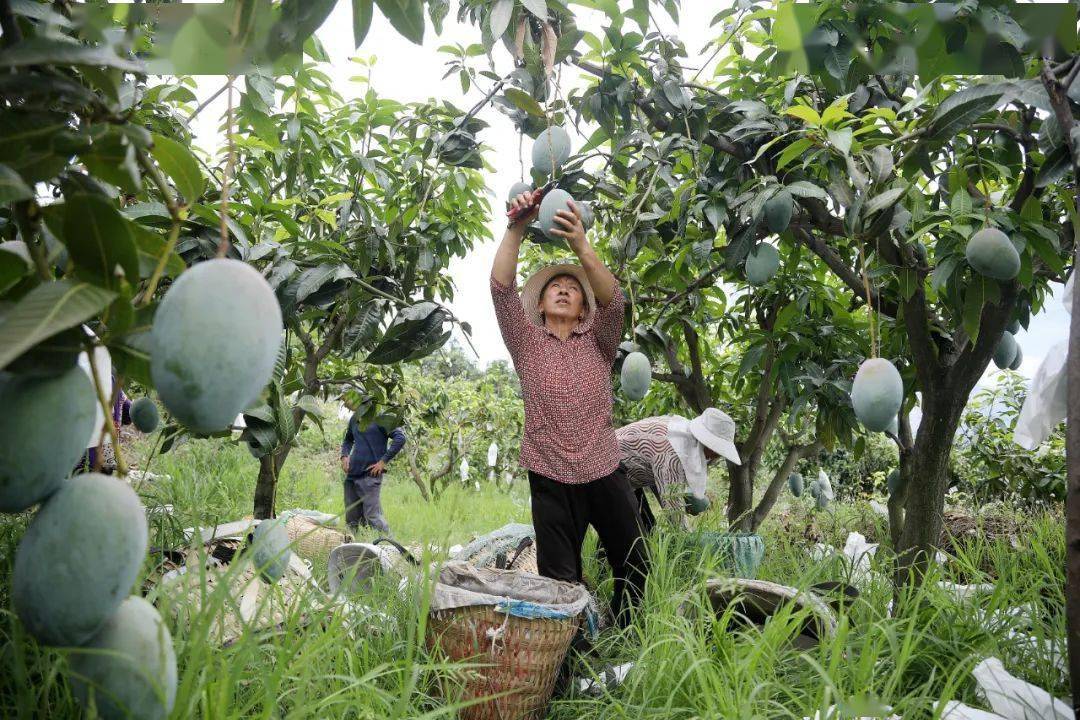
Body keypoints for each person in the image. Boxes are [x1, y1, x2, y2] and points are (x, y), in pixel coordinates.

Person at [491, 188, 647, 629]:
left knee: (634, 562)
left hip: (602, 465)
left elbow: (615, 300)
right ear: (539, 305)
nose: (562, 290)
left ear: (583, 310)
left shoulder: (599, 341)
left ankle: (628, 635)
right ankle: (571, 653)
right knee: (559, 579)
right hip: (549, 472)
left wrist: (580, 243)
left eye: (572, 289)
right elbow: (501, 289)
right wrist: (516, 227)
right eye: (554, 288)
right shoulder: (525, 342)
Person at [617, 408, 742, 533]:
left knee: (645, 527)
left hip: (625, 474)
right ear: (706, 441)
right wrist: (690, 543)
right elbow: (673, 510)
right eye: (717, 451)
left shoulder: (682, 432)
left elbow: (663, 486)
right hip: (606, 466)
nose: (716, 457)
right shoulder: (673, 452)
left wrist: (680, 500)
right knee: (632, 533)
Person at [339, 415, 405, 535]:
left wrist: (383, 461)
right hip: (352, 476)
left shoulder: (381, 417)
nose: (345, 402)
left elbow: (400, 438)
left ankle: (389, 545)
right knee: (351, 520)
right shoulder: (354, 419)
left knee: (373, 517)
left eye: (346, 398)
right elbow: (348, 439)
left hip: (370, 476)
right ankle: (357, 548)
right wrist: (344, 456)